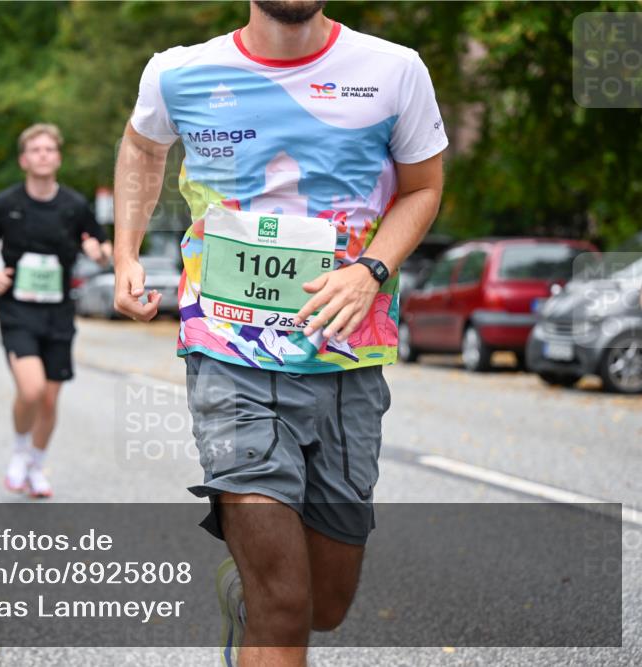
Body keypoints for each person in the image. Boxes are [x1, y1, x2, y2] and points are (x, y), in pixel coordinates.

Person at [114, 2, 448, 665]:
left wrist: (369, 270)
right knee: (286, 604)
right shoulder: (179, 73)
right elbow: (142, 147)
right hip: (227, 353)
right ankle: (264, 606)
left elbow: (423, 188)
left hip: (347, 358)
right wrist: (125, 253)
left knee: (325, 603)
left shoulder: (394, 71)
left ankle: (248, 601)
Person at [0, 123, 112, 498]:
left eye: (50, 149)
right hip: (17, 309)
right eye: (36, 150)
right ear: (24, 159)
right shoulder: (4, 204)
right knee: (31, 390)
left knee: (50, 398)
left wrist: (98, 251)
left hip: (58, 311)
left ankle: (36, 462)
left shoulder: (74, 205)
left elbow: (100, 244)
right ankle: (20, 451)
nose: (43, 155)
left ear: (58, 157)